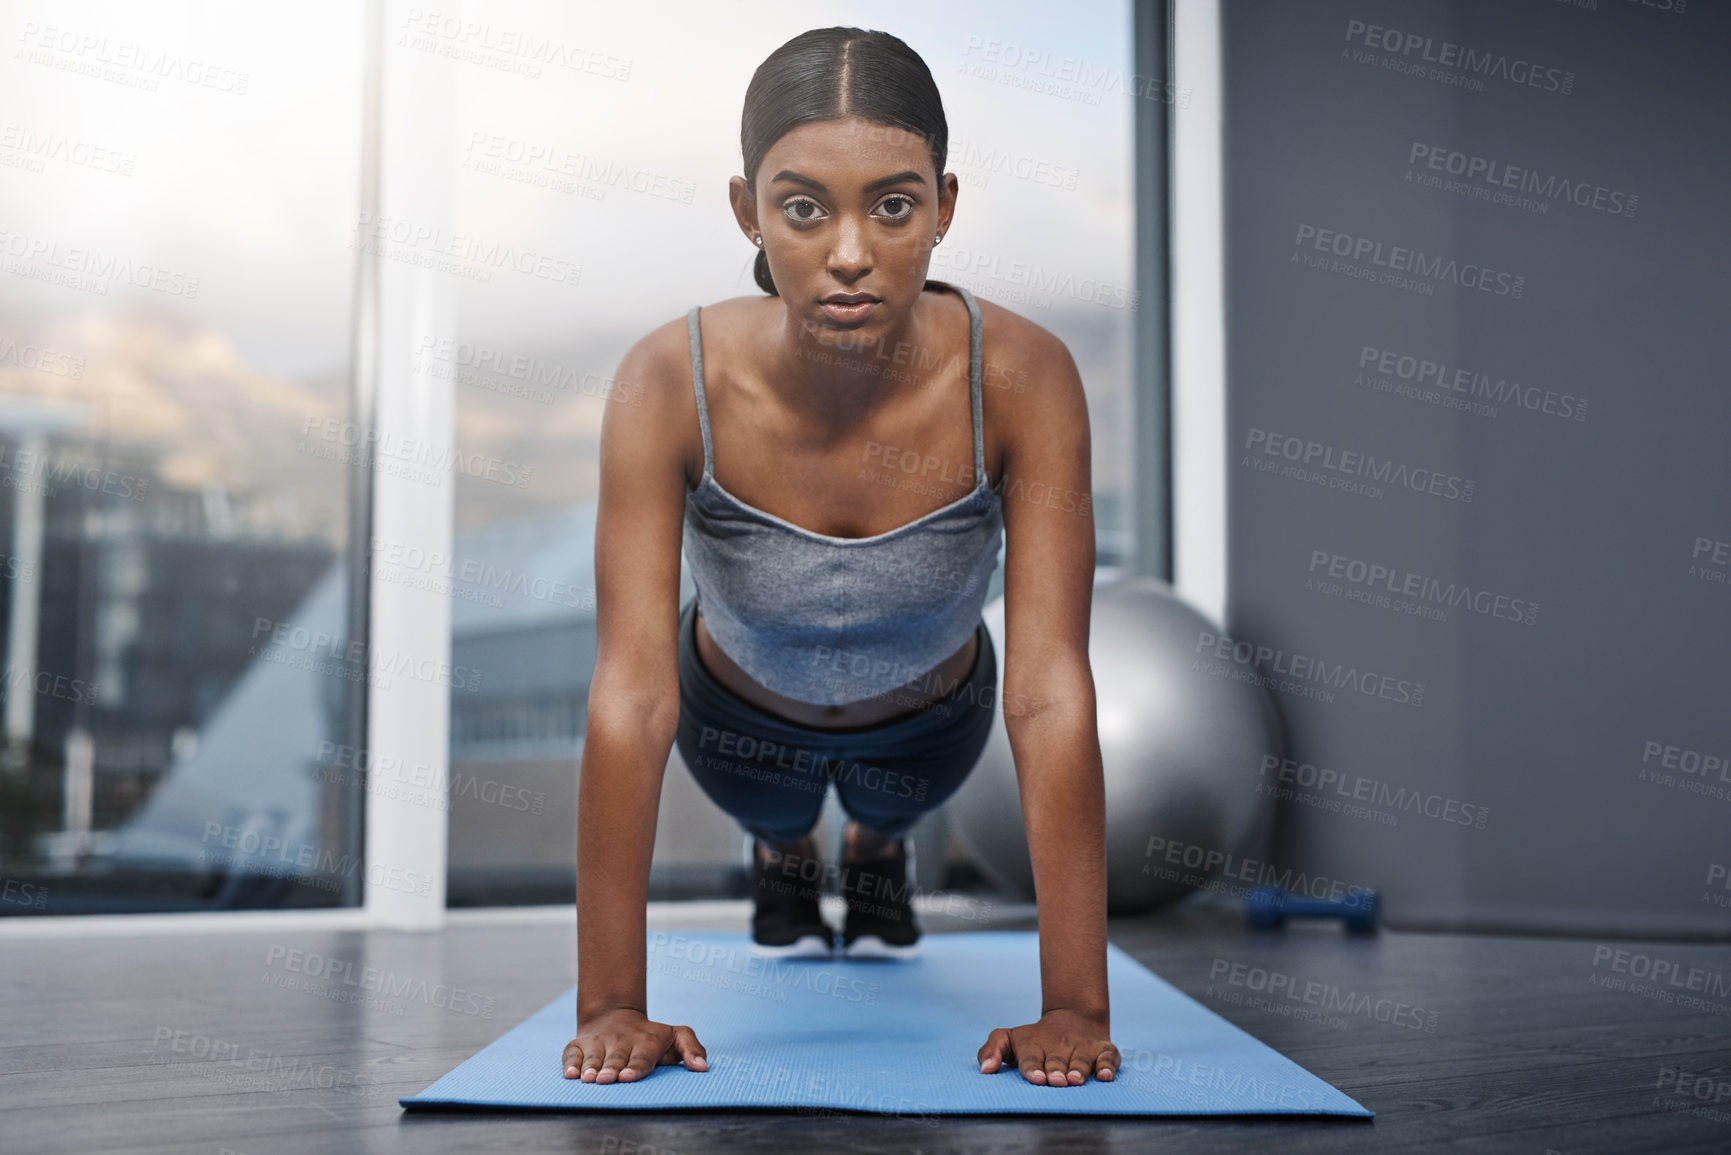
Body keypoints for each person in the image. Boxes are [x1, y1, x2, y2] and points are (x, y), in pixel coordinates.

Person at [564, 26, 1114, 1090]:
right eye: (805, 209)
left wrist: (1074, 1008)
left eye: (894, 206)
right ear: (748, 211)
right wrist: (613, 1005)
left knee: (887, 803)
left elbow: (1048, 691)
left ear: (945, 207)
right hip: (738, 727)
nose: (850, 252)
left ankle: (875, 851)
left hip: (931, 727)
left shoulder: (1026, 377)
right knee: (779, 815)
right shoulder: (665, 380)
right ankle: (783, 855)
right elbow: (630, 696)